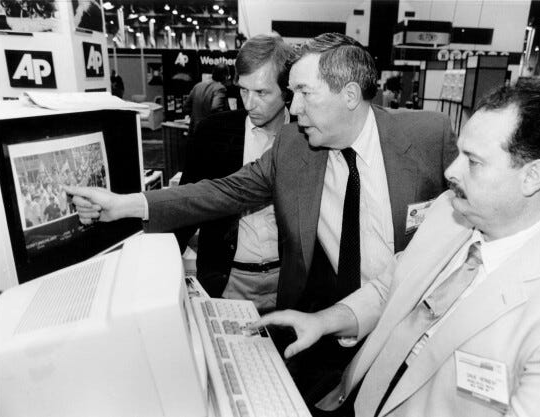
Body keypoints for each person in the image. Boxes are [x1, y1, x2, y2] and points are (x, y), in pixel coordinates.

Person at [66, 32, 456, 403]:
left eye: (304, 93)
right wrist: (123, 204)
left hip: (416, 333)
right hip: (333, 327)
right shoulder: (294, 147)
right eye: (291, 94)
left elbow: (469, 231)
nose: (295, 107)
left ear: (349, 95)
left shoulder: (428, 137)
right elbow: (223, 191)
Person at [257, 79, 540, 417]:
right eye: (459, 152)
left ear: (533, 176)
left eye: (473, 161)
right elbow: (394, 284)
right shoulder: (452, 209)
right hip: (352, 397)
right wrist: (326, 320)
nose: (451, 171)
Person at [174, 34, 293, 312]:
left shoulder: (308, 134)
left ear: (286, 90)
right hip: (227, 283)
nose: (249, 103)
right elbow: (187, 207)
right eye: (243, 90)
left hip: (289, 285)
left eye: (262, 92)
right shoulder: (212, 134)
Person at [184, 63, 230, 134]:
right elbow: (216, 108)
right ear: (225, 76)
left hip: (194, 132)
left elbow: (186, 106)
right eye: (228, 76)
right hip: (209, 133)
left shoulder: (198, 86)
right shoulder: (220, 88)